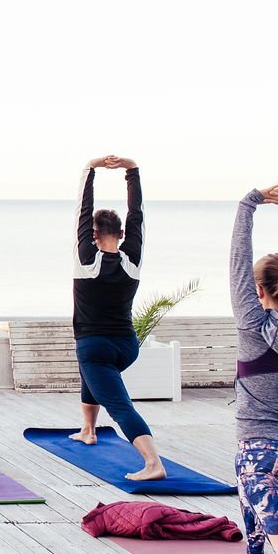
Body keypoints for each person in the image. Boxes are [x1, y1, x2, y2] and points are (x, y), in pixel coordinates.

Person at [225, 183, 278, 554]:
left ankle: (265, 552)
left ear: (256, 292)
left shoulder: (252, 325)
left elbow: (238, 260)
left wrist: (250, 202)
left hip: (264, 449)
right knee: (245, 476)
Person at [68, 156, 165, 481]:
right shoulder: (132, 258)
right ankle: (88, 430)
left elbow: (83, 209)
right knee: (93, 374)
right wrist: (132, 170)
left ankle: (153, 463)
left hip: (94, 345)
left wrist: (90, 168)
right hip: (126, 345)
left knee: (120, 405)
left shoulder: (85, 258)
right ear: (122, 233)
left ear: (93, 234)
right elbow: (137, 213)